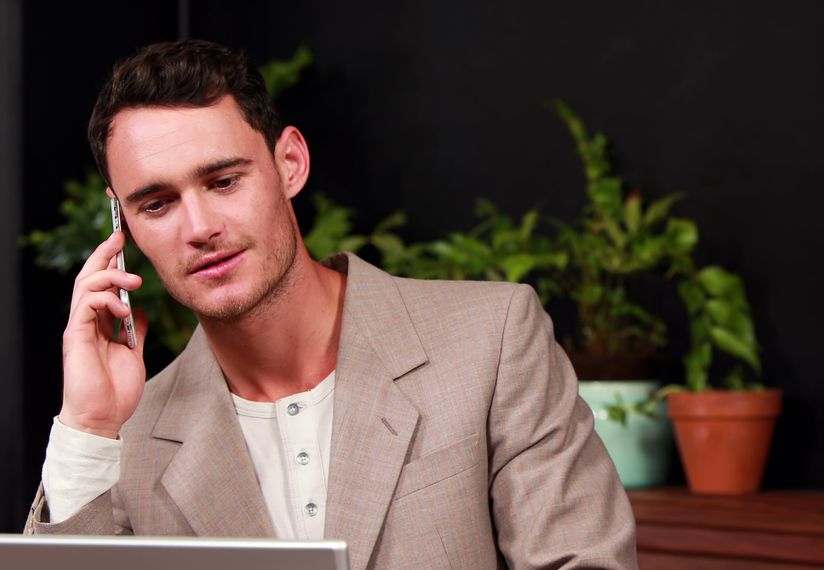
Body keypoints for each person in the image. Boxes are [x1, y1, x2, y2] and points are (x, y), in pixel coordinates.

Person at [24, 39, 637, 569]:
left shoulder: (492, 339)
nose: (199, 226)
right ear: (122, 222)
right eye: (156, 203)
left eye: (223, 180)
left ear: (289, 163)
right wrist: (90, 428)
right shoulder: (124, 439)